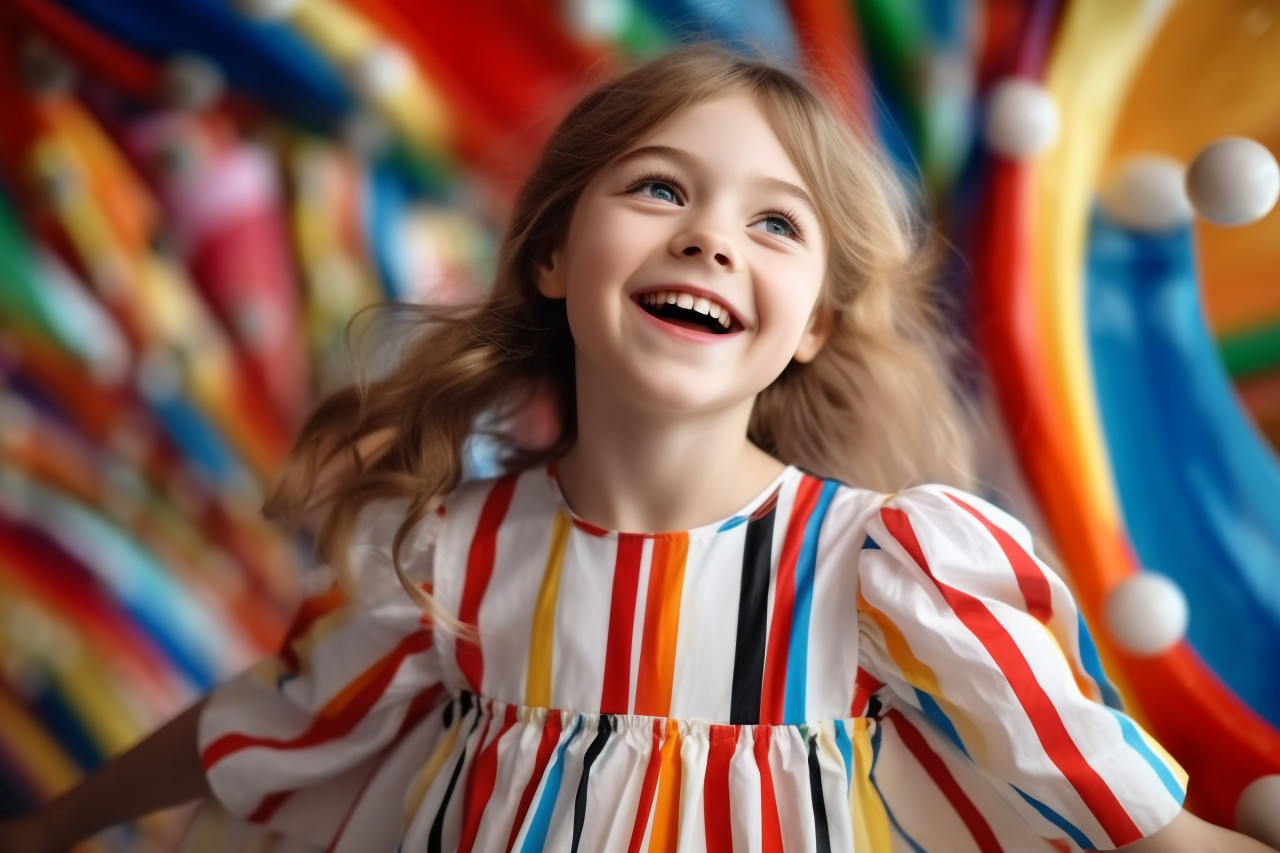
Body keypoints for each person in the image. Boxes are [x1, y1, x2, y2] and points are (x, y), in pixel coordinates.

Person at [0, 44, 1273, 853]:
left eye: (775, 224)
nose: (710, 237)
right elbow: (261, 719)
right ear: (554, 257)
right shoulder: (455, 556)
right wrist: (50, 823)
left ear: (811, 327)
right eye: (659, 189)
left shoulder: (887, 567)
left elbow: (1128, 815)